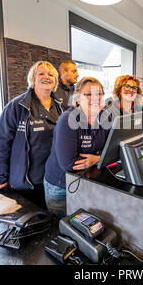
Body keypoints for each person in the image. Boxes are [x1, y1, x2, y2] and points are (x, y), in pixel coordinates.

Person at [0, 61, 64, 209]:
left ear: (55, 81)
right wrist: (0, 177)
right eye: (40, 73)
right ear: (32, 78)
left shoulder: (61, 108)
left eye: (50, 74)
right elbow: (0, 143)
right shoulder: (16, 106)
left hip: (54, 181)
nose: (46, 77)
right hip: (28, 183)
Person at [43, 77, 111, 218]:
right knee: (62, 228)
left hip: (86, 181)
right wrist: (101, 157)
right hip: (60, 187)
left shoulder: (105, 117)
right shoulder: (67, 120)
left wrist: (97, 158)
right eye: (89, 94)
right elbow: (69, 163)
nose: (95, 98)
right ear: (78, 99)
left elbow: (111, 149)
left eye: (99, 94)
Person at [105, 75, 143, 140]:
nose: (131, 90)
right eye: (127, 86)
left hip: (134, 146)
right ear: (119, 90)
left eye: (134, 88)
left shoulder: (140, 110)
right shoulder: (110, 110)